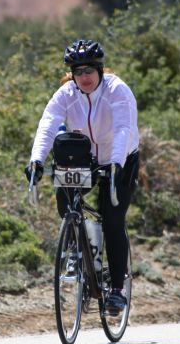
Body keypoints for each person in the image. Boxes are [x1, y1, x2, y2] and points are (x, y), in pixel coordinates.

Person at [24, 39, 140, 316]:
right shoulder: (66, 93)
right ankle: (79, 251)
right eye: (78, 72)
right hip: (85, 158)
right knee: (67, 206)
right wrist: (37, 160)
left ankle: (116, 291)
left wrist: (115, 162)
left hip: (122, 157)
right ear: (72, 75)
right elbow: (48, 123)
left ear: (100, 70)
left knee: (112, 219)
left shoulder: (117, 90)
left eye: (89, 70)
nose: (84, 77)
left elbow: (124, 127)